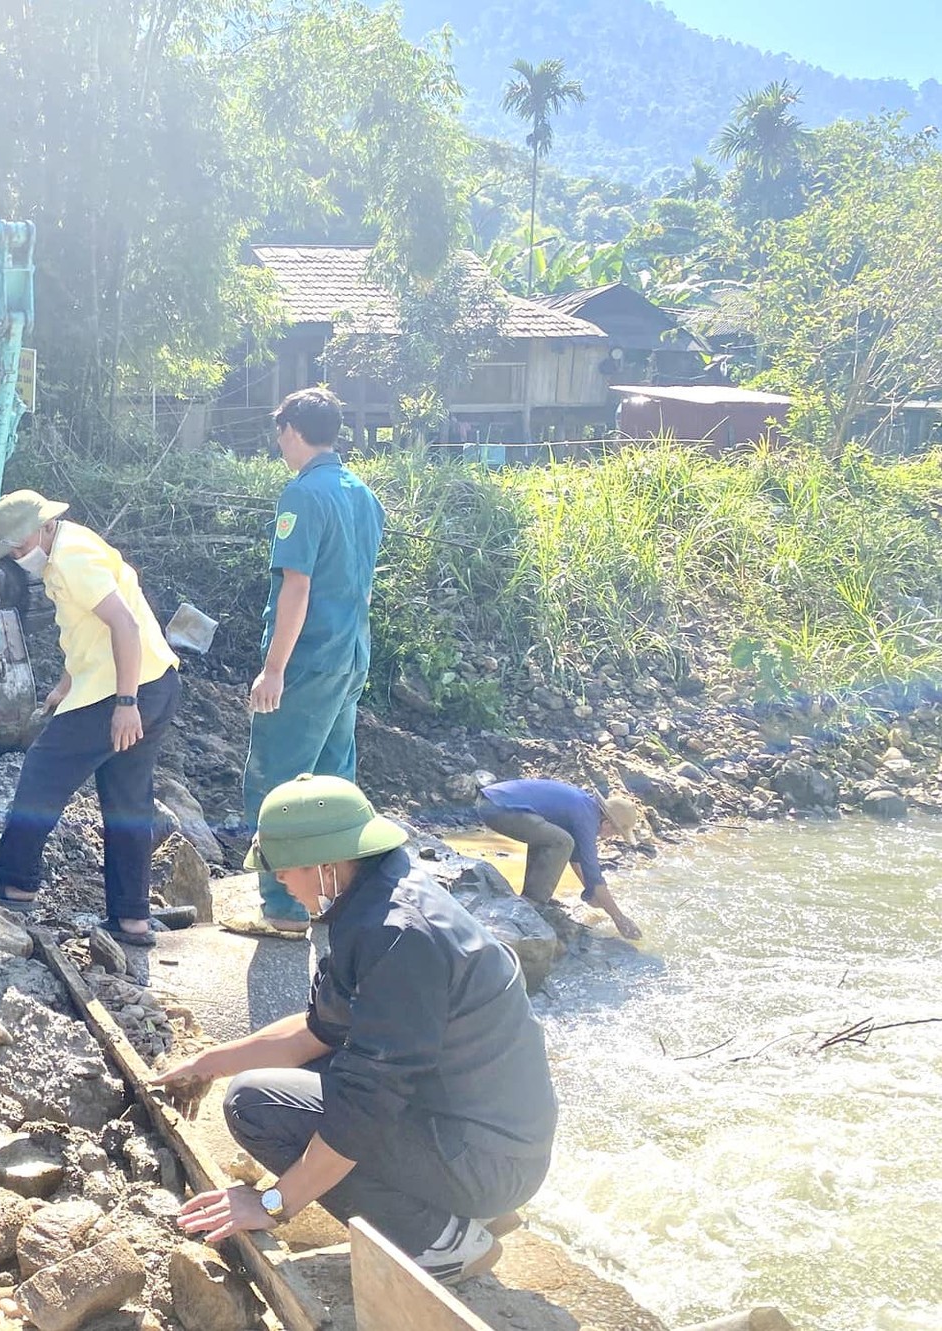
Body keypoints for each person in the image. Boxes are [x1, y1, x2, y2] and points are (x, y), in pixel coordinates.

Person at [153, 774, 556, 1285]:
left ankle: (437, 1240)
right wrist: (206, 1063)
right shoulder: (372, 900)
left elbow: (368, 1100)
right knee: (284, 1081)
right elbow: (319, 1031)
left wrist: (275, 1203)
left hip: (490, 1158)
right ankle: (459, 1209)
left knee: (258, 1107)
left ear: (323, 864)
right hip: (470, 1129)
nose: (281, 885)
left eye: (282, 872)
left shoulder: (397, 937)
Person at [0, 490, 183, 947]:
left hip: (121, 691)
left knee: (42, 775)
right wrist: (65, 685)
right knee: (127, 802)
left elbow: (124, 625)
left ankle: (16, 882)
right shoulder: (74, 545)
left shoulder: (69, 560)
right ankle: (131, 920)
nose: (16, 554)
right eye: (9, 548)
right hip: (157, 682)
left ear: (44, 525)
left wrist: (125, 704)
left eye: (19, 544)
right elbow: (91, 630)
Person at [236, 387, 385, 937]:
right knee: (332, 780)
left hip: (307, 660)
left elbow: (296, 588)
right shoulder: (361, 493)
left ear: (292, 431)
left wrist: (274, 669)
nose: (279, 445)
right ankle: (335, 898)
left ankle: (282, 907)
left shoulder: (302, 495)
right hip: (350, 656)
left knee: (277, 784)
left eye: (279, 434)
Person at [477, 778, 645, 939]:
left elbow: (577, 860)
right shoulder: (587, 818)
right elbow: (593, 874)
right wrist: (620, 919)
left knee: (554, 840)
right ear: (607, 823)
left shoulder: (585, 807)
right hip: (498, 808)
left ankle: (531, 897)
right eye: (615, 833)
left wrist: (592, 894)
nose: (610, 837)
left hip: (493, 802)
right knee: (562, 842)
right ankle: (533, 902)